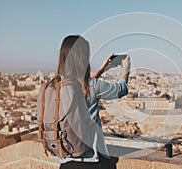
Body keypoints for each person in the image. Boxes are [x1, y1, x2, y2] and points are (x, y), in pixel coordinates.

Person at [39, 35, 130, 169]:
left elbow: (81, 83)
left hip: (65, 160)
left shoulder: (49, 87)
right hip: (92, 161)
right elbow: (121, 89)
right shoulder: (91, 86)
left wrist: (103, 69)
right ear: (84, 57)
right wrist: (126, 67)